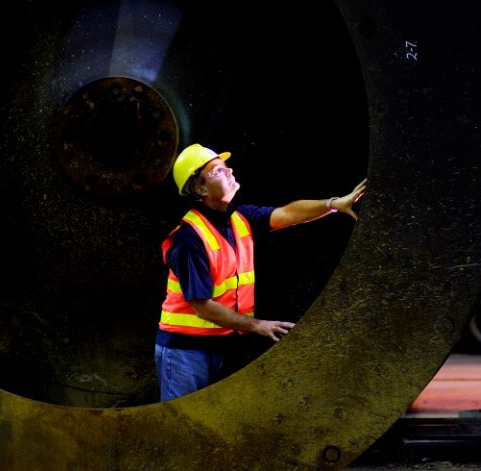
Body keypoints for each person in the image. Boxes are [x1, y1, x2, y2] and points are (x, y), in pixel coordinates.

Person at [155, 143, 366, 401]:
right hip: (185, 352)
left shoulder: (240, 219)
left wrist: (334, 204)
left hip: (220, 345)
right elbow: (203, 307)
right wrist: (258, 326)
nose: (230, 171)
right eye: (219, 171)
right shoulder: (189, 240)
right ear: (200, 188)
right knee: (184, 429)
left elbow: (288, 213)